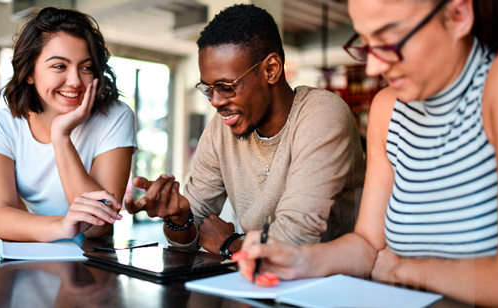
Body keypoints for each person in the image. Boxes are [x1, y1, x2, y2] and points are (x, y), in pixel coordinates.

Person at [234, 0, 498, 305]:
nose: (373, 67)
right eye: (367, 45)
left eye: (388, 42)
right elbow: (368, 246)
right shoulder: (388, 110)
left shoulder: (493, 88)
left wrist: (404, 269)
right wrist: (296, 259)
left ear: (458, 16)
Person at [125, 4, 365, 256]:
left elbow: (294, 240)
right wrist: (179, 217)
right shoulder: (222, 128)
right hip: (256, 280)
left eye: (226, 86)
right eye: (207, 89)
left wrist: (228, 243)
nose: (215, 101)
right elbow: (188, 237)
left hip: (330, 287)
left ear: (271, 69)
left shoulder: (321, 113)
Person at [0, 7, 137, 242]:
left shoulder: (115, 116)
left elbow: (99, 225)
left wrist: (61, 136)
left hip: (92, 261)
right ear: (29, 72)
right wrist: (63, 227)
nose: (74, 81)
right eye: (59, 66)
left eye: (86, 67)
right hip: (29, 252)